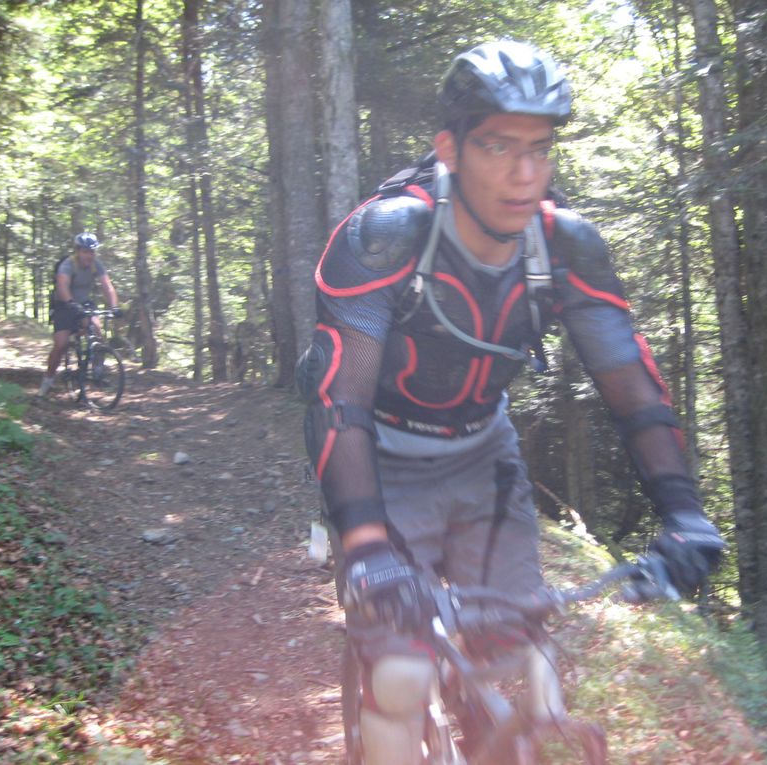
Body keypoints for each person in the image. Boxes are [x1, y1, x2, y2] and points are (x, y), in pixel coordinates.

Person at [299, 40, 725, 765]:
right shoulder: (386, 235)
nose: (524, 174)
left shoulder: (564, 246)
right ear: (450, 148)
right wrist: (367, 545)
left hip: (482, 458)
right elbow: (338, 396)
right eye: (498, 146)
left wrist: (682, 508)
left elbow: (630, 383)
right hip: (383, 459)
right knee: (401, 676)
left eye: (540, 149)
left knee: (527, 668)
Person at [39, 232, 121, 397]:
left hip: (84, 303)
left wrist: (115, 307)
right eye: (85, 251)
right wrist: (70, 303)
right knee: (61, 344)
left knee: (97, 331)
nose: (89, 255)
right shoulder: (68, 265)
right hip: (64, 304)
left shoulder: (96, 265)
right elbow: (62, 285)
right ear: (78, 251)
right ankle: (47, 381)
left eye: (91, 252)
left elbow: (107, 286)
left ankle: (97, 370)